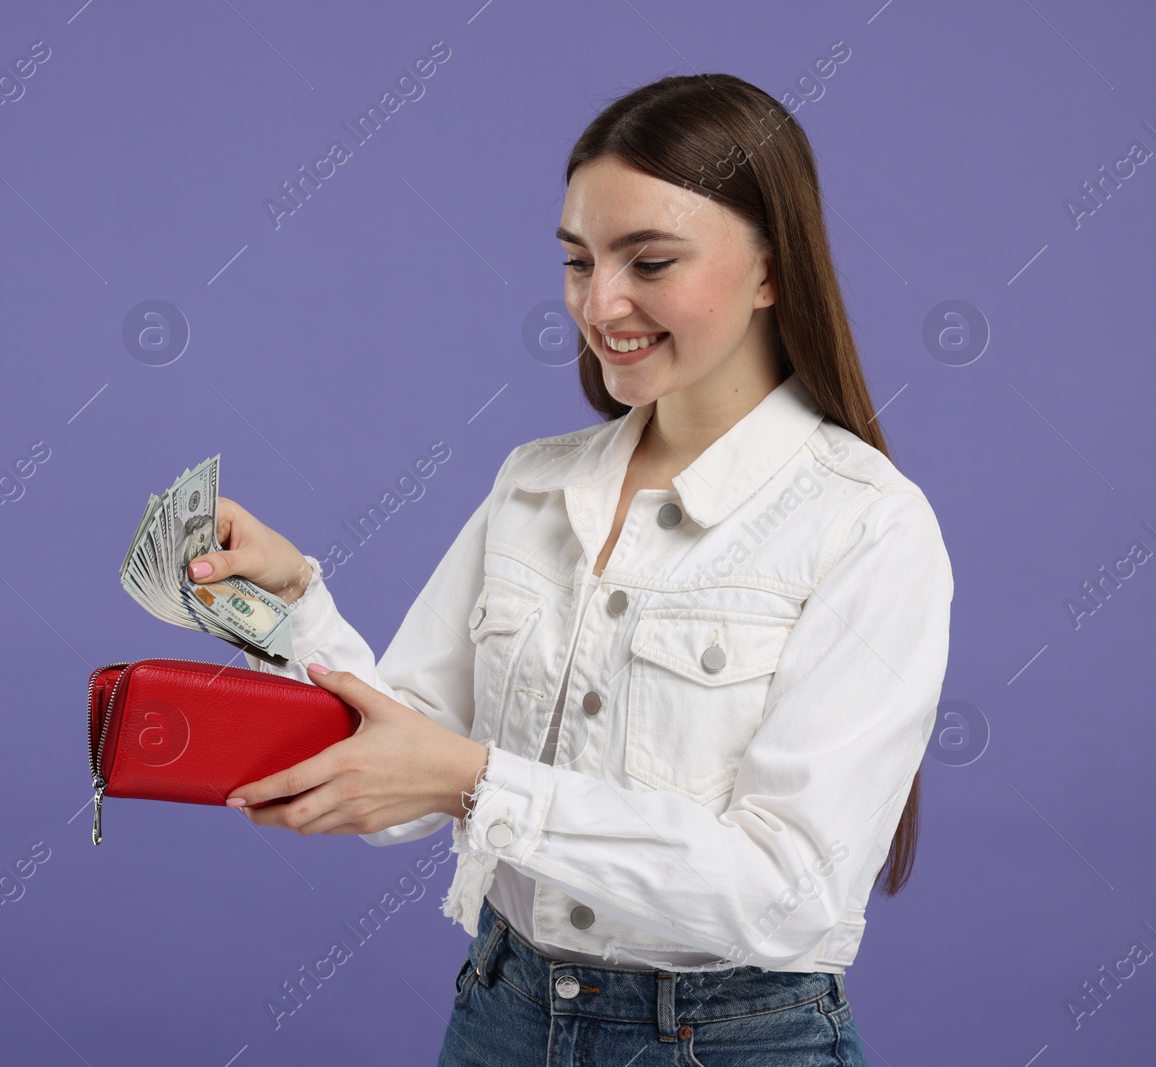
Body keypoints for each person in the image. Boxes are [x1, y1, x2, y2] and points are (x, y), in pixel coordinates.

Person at [185, 72, 954, 1066]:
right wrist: (286, 609)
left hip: (727, 1039)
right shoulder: (534, 487)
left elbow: (789, 886)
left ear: (772, 267)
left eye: (651, 260)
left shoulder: (867, 525)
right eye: (578, 260)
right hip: (502, 1011)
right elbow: (401, 769)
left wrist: (475, 782)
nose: (600, 303)